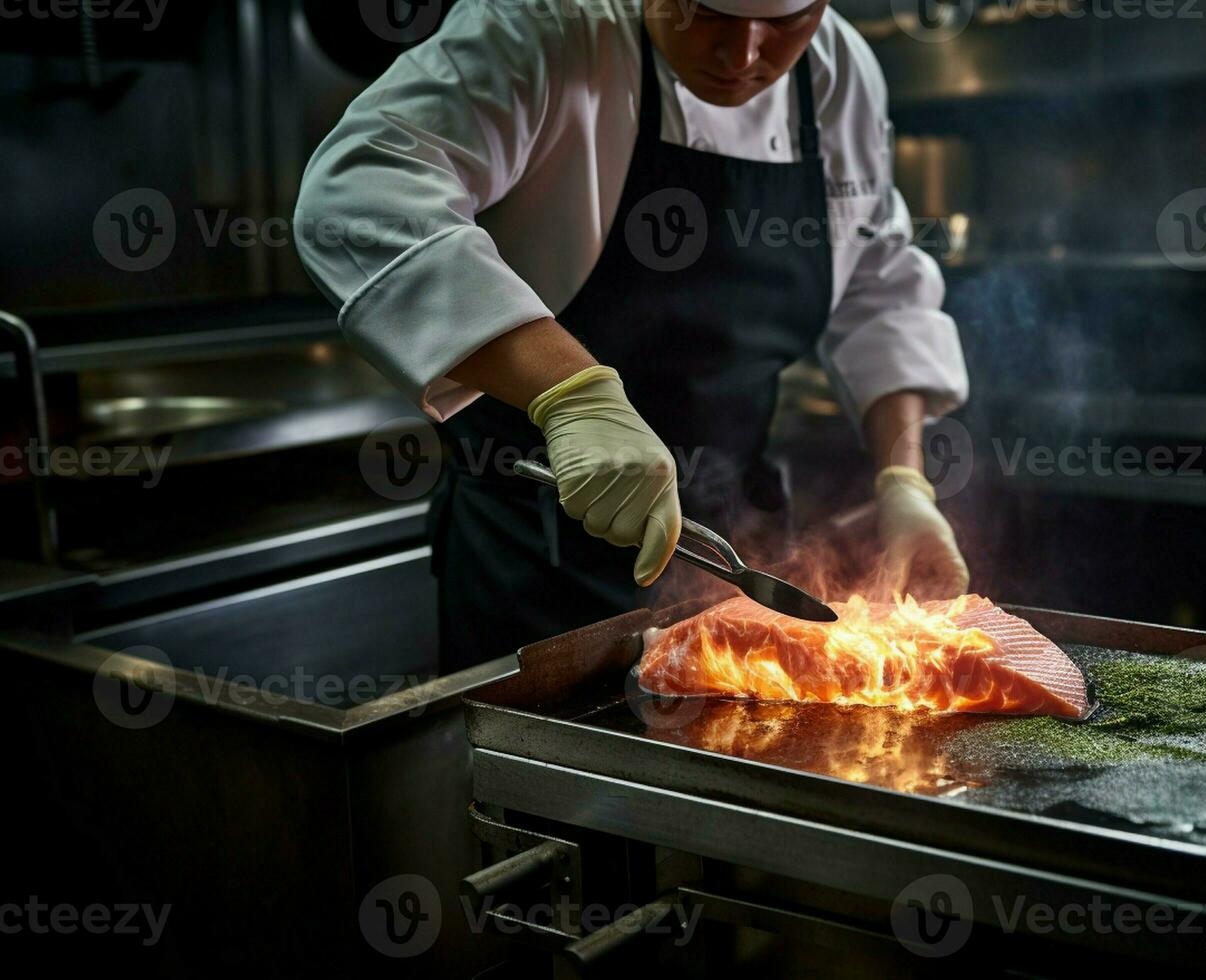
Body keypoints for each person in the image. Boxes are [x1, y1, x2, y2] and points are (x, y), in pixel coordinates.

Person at [296, 0, 971, 672]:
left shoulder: (839, 68)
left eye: (783, 24)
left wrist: (902, 480)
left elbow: (881, 288)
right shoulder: (537, 28)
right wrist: (572, 394)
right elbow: (360, 198)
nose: (740, 55)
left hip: (736, 553)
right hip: (537, 556)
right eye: (706, 14)